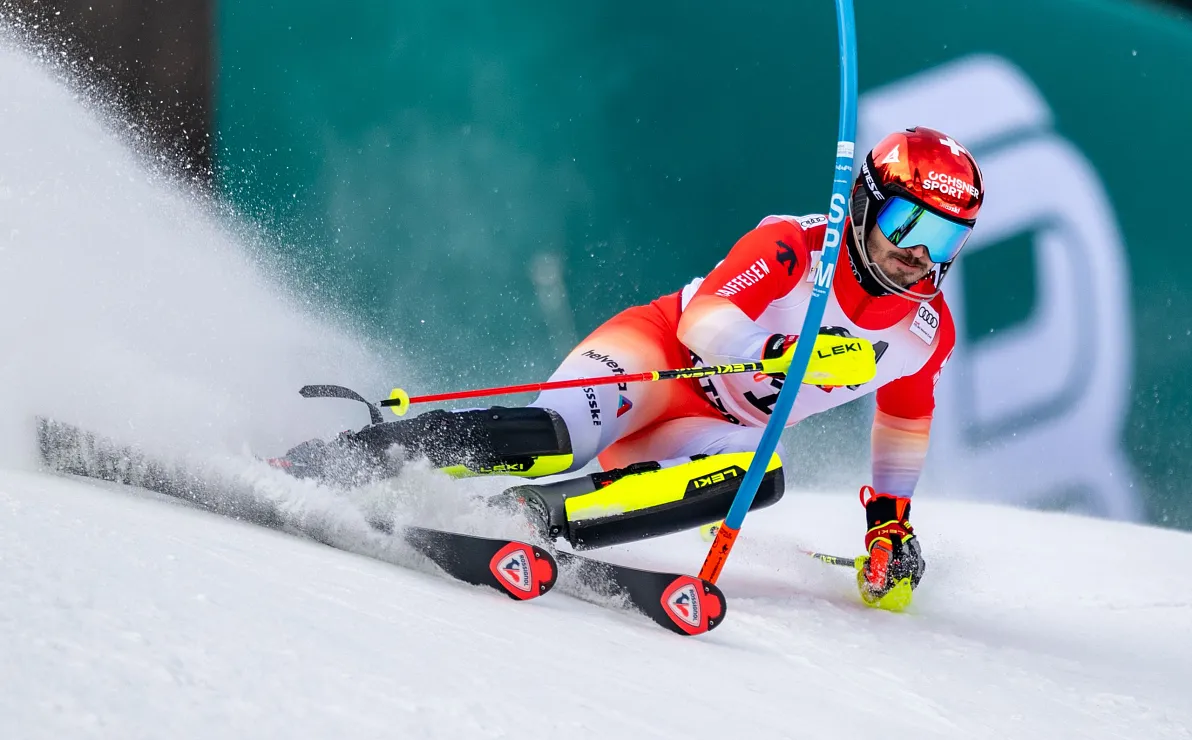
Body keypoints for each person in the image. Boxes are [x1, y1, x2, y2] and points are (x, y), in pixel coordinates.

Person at [272, 126, 984, 608]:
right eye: (906, 227)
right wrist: (785, 356)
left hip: (718, 429)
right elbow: (708, 324)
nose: (921, 256)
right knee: (558, 435)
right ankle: (339, 461)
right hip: (658, 361)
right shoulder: (795, 248)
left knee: (758, 479)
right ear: (864, 207)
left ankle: (524, 522)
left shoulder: (928, 329)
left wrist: (889, 525)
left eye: (945, 237)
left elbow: (905, 414)